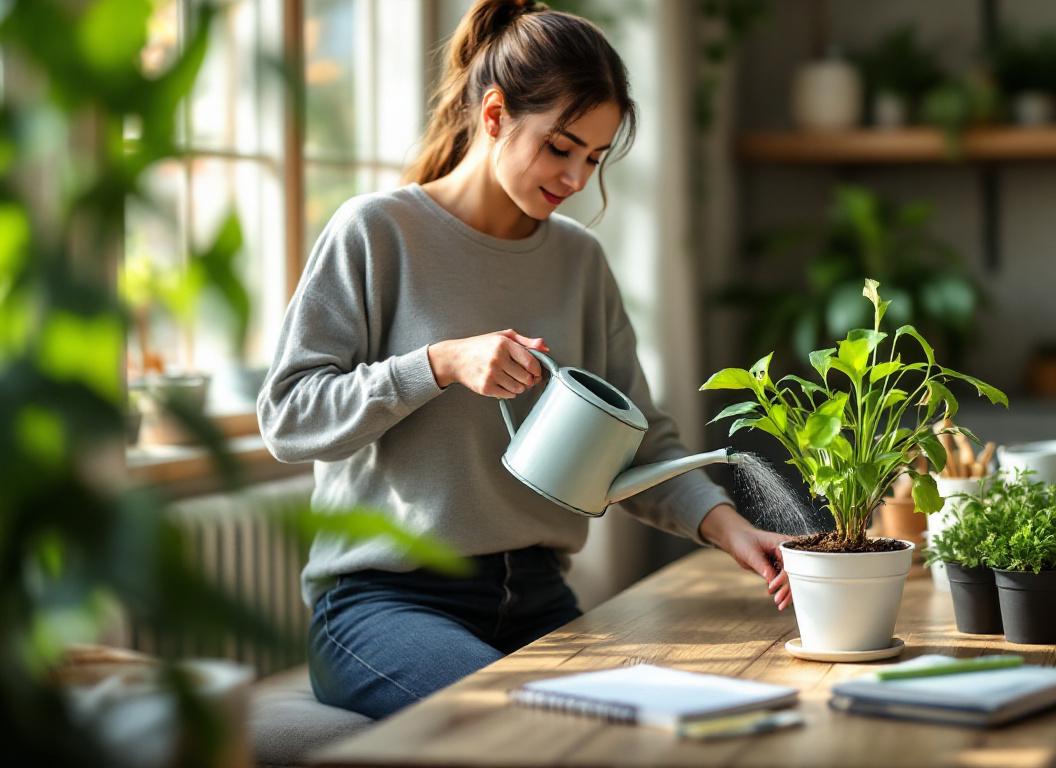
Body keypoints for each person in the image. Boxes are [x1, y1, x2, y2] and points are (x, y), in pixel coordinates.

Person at [257, 0, 791, 720]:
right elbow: (288, 417)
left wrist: (732, 527)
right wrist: (438, 364)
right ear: (494, 114)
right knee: (525, 726)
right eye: (560, 147)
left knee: (666, 726)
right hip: (382, 602)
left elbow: (639, 443)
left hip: (537, 593)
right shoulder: (378, 233)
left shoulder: (580, 262)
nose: (575, 179)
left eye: (594, 158)